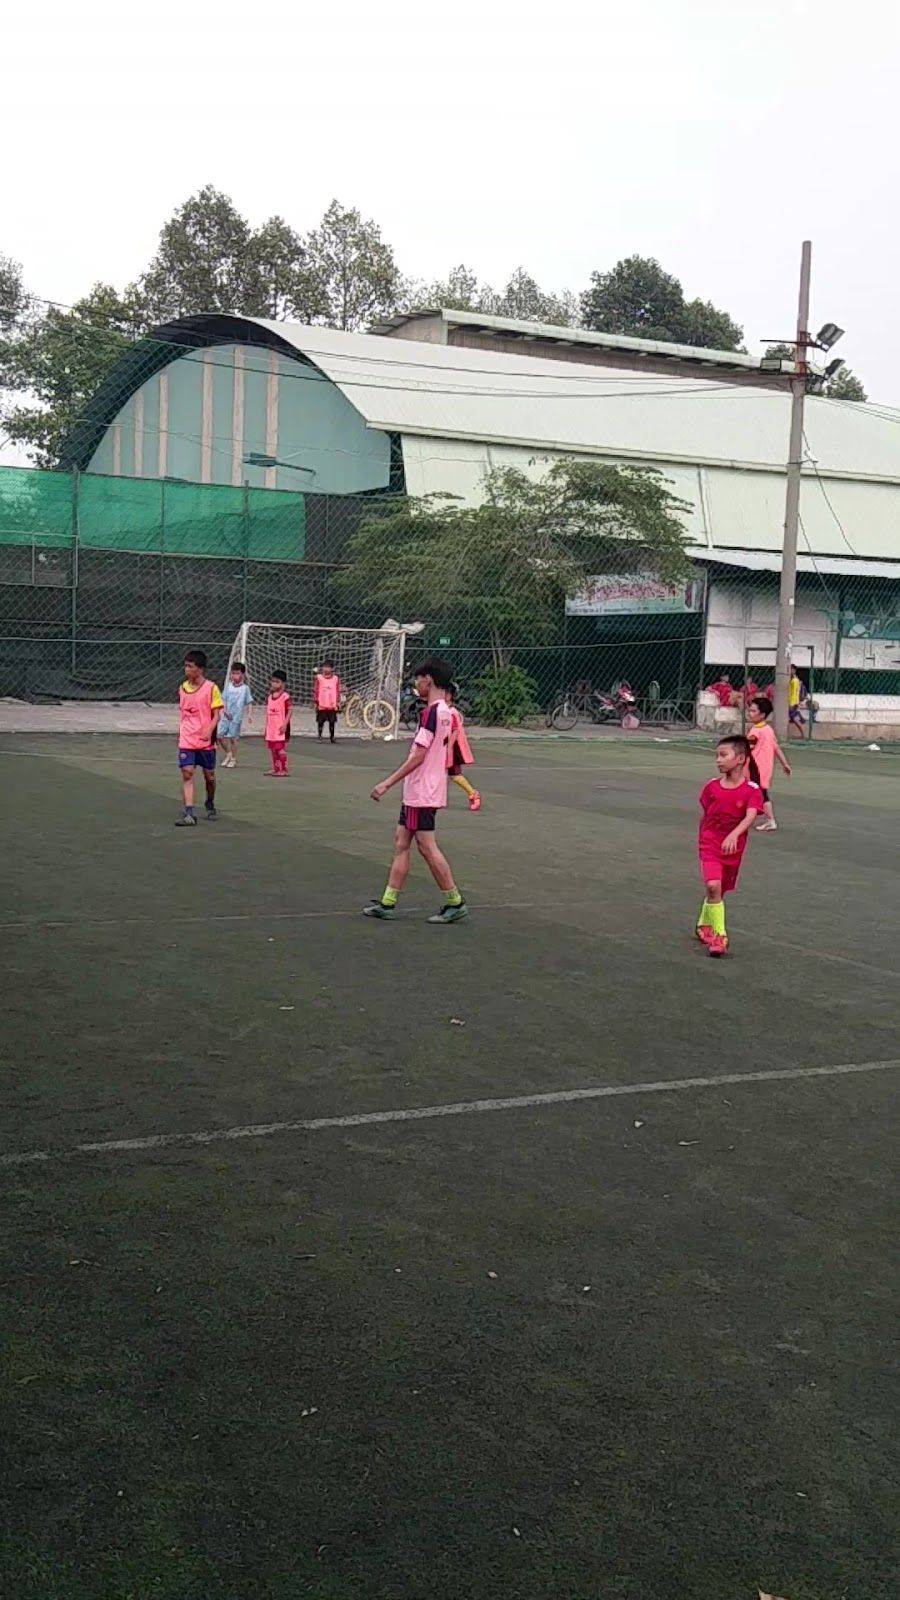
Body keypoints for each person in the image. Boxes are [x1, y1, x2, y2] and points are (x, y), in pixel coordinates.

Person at [364, 657, 467, 924]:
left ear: (428, 680)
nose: (416, 684)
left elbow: (419, 756)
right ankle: (388, 902)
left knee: (426, 846)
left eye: (418, 679)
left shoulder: (432, 713)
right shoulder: (446, 712)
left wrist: (386, 783)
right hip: (423, 789)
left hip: (422, 791)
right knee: (402, 842)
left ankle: (454, 901)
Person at [695, 735, 762, 958]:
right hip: (710, 844)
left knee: (718, 890)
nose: (718, 760)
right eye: (717, 756)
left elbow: (750, 815)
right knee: (713, 886)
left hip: (733, 848)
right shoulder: (711, 787)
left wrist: (734, 834)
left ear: (741, 759)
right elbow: (707, 811)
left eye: (723, 755)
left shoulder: (752, 790)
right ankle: (719, 936)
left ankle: (703, 924)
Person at [176, 649, 223, 826]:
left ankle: (210, 801)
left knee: (209, 776)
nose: (187, 670)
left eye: (190, 666)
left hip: (205, 741)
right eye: (185, 666)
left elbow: (217, 714)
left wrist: (209, 729)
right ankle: (189, 813)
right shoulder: (182, 688)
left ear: (200, 669)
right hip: (187, 739)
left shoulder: (211, 688)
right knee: (187, 773)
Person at [746, 696, 791, 831]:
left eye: (753, 711)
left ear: (762, 714)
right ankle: (752, 816)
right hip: (765, 768)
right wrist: (785, 764)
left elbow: (747, 750)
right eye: (750, 710)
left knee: (760, 793)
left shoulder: (755, 732)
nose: (750, 713)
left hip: (755, 768)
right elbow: (776, 747)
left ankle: (770, 820)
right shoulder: (768, 730)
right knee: (757, 792)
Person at [446, 682, 480, 812]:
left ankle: (472, 793)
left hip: (451, 748)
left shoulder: (452, 712)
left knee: (455, 775)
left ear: (450, 695)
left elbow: (454, 731)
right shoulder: (440, 709)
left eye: (445, 692)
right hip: (441, 746)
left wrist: (449, 748)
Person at [218, 661, 253, 768]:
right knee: (219, 736)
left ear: (242, 674)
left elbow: (249, 702)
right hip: (225, 717)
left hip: (236, 718)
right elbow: (223, 700)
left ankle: (233, 759)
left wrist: (249, 714)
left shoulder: (245, 689)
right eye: (233, 673)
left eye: (237, 673)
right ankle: (228, 754)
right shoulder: (228, 687)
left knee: (233, 738)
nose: (235, 676)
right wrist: (224, 711)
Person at [265, 670, 292, 776]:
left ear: (283, 684)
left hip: (281, 727)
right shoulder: (269, 697)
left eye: (277, 682)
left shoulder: (285, 697)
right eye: (273, 681)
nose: (274, 684)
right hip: (271, 728)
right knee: (273, 749)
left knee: (280, 749)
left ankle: (284, 769)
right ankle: (276, 768)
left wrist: (285, 724)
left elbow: (290, 710)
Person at [313, 659, 341, 744]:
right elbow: (315, 690)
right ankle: (319, 736)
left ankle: (332, 737)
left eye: (328, 667)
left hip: (332, 704)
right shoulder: (319, 678)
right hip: (322, 704)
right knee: (320, 721)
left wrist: (338, 702)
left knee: (332, 722)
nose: (326, 669)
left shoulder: (336, 678)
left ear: (332, 669)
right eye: (324, 667)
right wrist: (315, 701)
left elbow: (338, 690)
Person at [788, 665, 806, 736]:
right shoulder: (793, 680)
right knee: (794, 718)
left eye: (791, 669)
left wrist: (793, 703)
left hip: (792, 703)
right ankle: (802, 734)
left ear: (794, 671)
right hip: (791, 702)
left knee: (794, 719)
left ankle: (803, 734)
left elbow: (795, 693)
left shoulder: (795, 681)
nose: (790, 671)